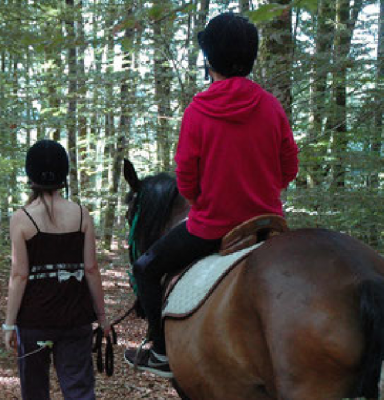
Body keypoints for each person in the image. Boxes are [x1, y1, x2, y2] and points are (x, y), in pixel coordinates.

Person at [124, 12, 299, 377]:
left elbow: (186, 183)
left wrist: (206, 202)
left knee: (145, 267)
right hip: (268, 223)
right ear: (250, 58)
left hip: (212, 228)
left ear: (210, 59)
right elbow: (289, 170)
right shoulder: (271, 107)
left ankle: (160, 350)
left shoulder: (199, 111)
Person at [4, 140, 110, 400]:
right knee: (79, 390)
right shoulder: (82, 215)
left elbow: (19, 275)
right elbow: (91, 269)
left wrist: (9, 322)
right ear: (64, 174)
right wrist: (102, 315)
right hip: (75, 319)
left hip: (33, 320)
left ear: (30, 174)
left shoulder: (21, 218)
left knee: (33, 384)